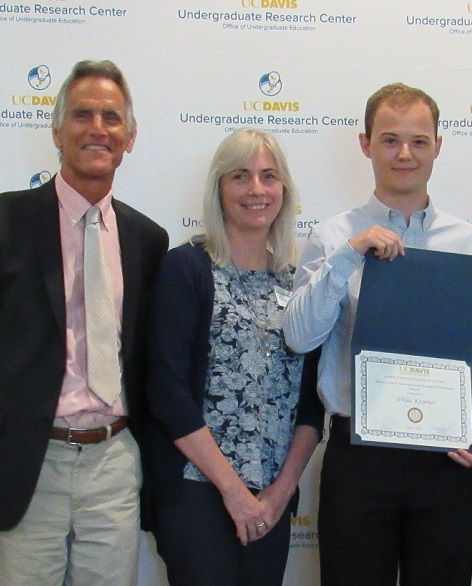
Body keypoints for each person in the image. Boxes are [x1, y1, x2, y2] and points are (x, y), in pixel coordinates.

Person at [0, 60, 169, 585]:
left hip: (113, 465)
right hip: (24, 465)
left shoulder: (148, 241)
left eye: (111, 117)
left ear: (130, 137)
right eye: (83, 114)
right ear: (57, 130)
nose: (97, 128)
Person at [283, 83, 472, 586]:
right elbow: (299, 337)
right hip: (358, 460)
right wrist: (349, 253)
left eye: (418, 141)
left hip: (447, 459)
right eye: (389, 140)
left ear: (438, 146)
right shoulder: (331, 235)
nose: (404, 154)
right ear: (365, 145)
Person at [144, 128, 324, 586]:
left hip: (272, 499)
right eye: (240, 176)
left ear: (285, 190)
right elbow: (168, 392)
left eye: (269, 176)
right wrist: (233, 492)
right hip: (197, 493)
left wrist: (280, 493)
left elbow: (310, 404)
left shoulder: (296, 283)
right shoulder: (186, 268)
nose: (257, 190)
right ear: (218, 189)